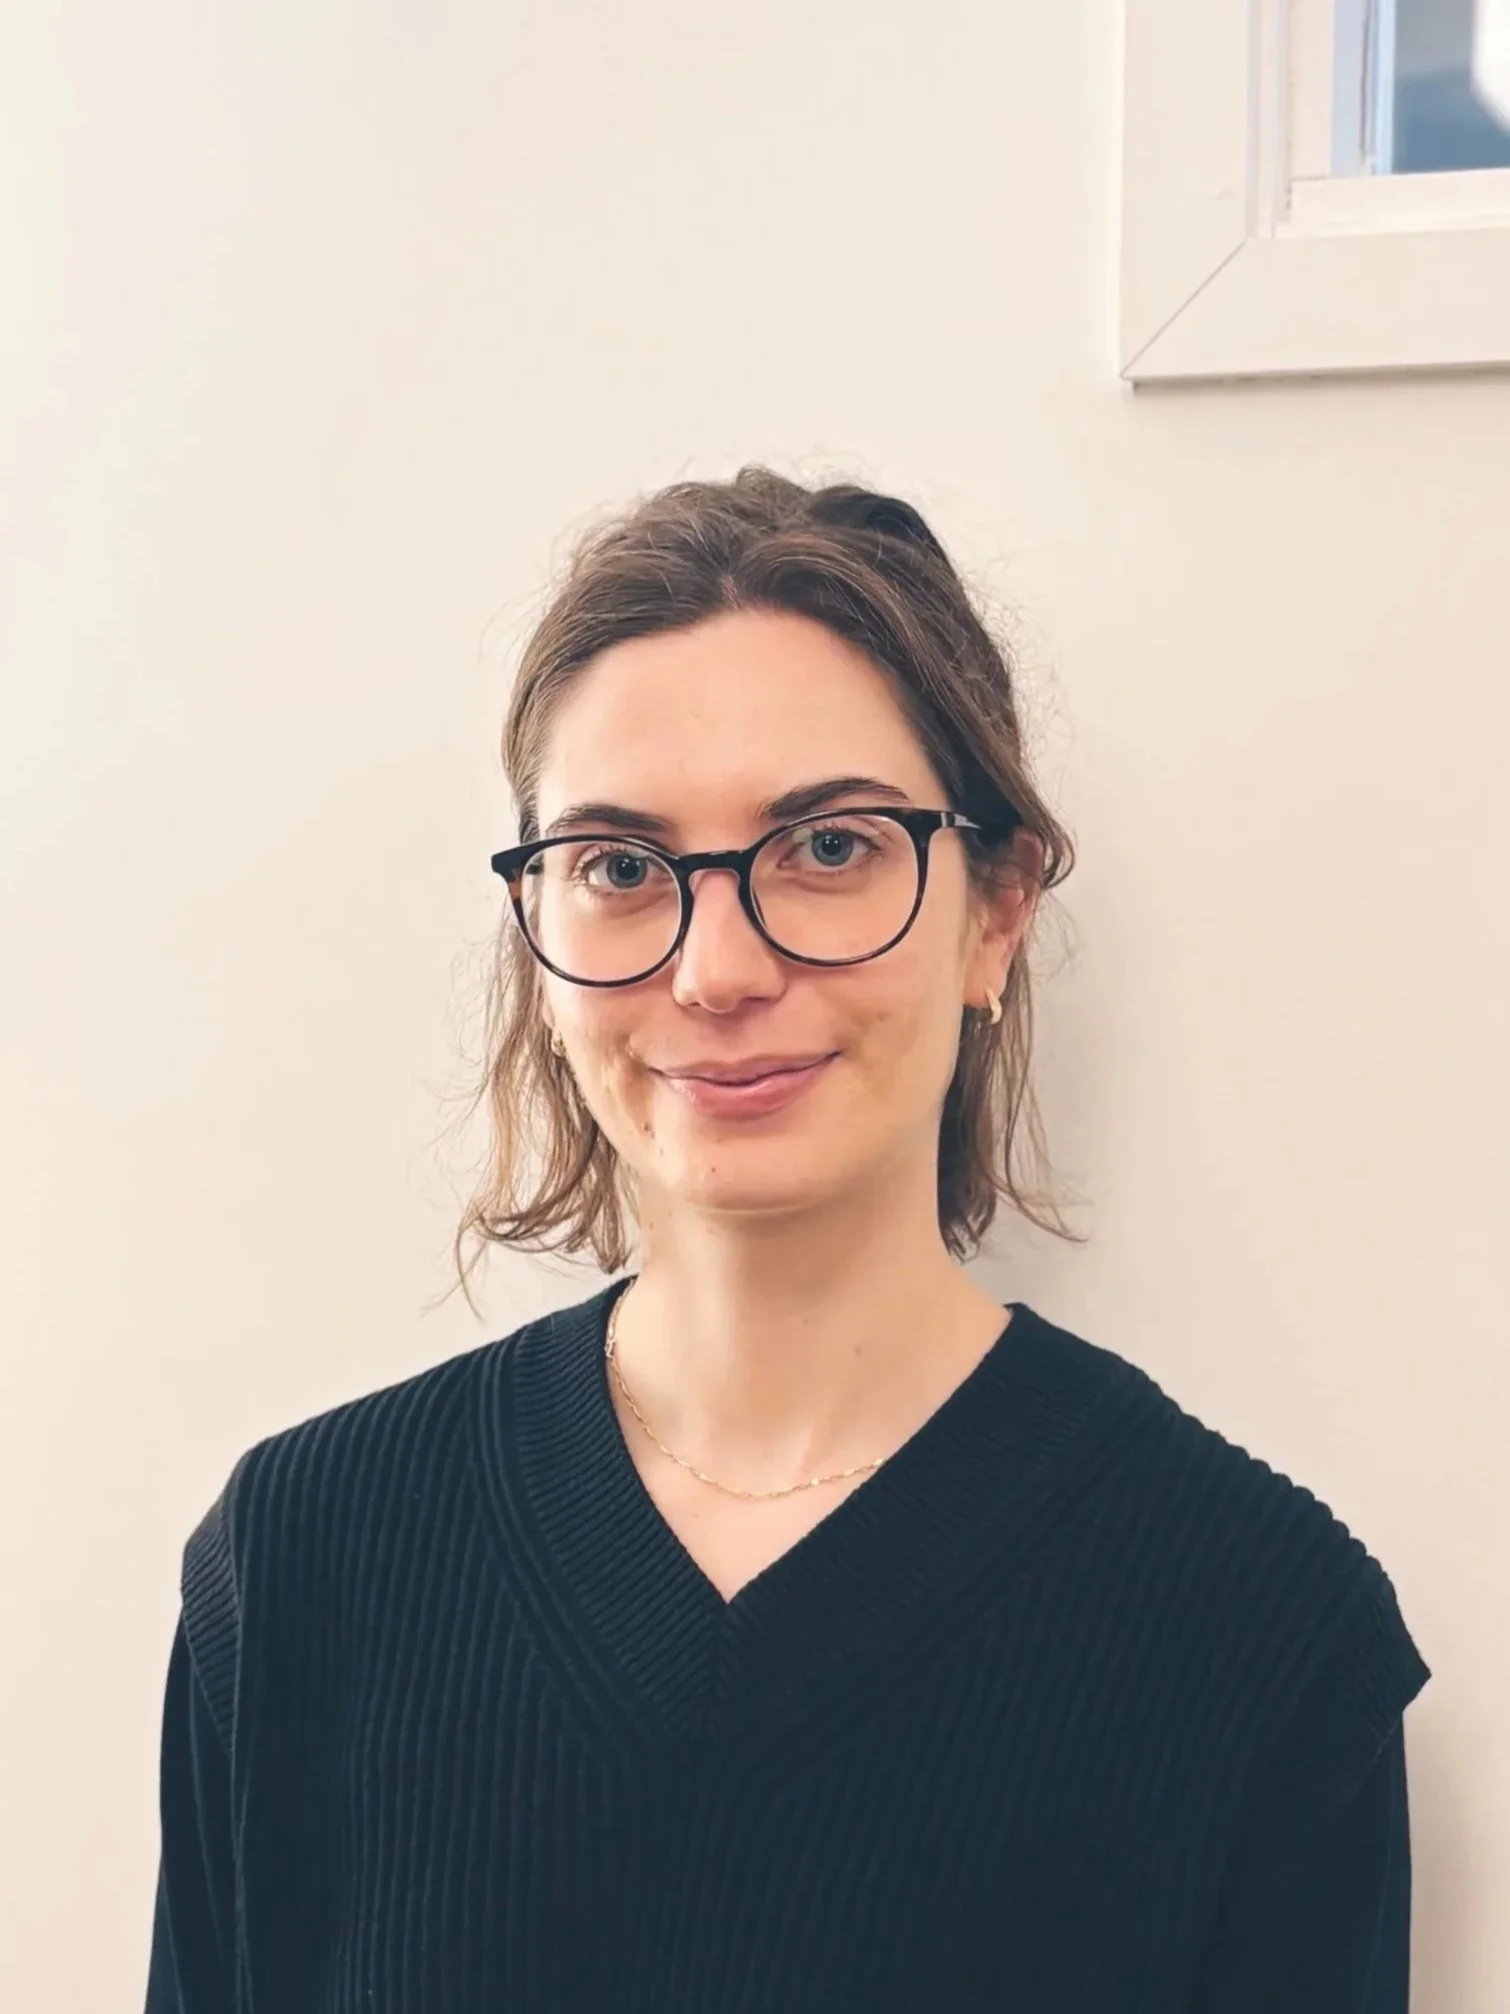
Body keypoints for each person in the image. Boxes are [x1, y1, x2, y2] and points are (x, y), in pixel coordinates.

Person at [145, 466, 1431, 2012]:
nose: (717, 964)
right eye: (620, 868)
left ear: (995, 908)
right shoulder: (302, 1566)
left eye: (826, 848)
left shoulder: (1259, 1630)